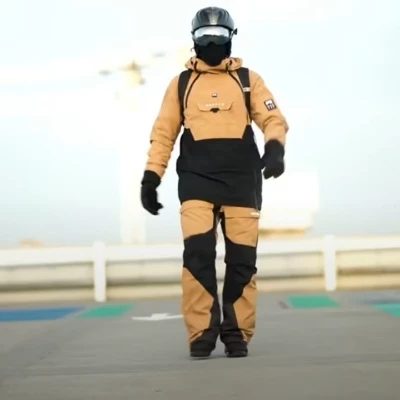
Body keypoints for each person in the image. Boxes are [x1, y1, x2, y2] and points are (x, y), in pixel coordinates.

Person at [140, 6, 289, 358]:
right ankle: (202, 333)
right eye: (204, 37)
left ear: (231, 38)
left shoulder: (249, 80)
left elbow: (273, 119)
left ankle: (237, 334)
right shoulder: (181, 84)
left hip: (242, 183)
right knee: (197, 256)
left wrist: (275, 148)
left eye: (219, 36)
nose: (211, 43)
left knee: (242, 261)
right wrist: (151, 177)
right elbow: (163, 134)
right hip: (197, 183)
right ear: (193, 41)